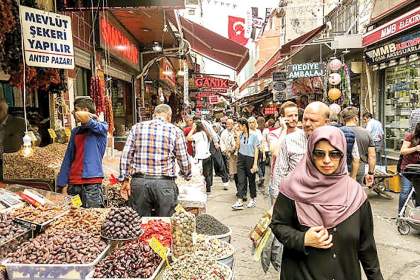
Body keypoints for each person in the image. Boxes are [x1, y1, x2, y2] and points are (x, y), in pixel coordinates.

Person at [270, 126, 383, 280]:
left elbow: (366, 246)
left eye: (335, 154)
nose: (327, 160)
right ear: (310, 154)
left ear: (343, 154)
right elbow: (277, 225)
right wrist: (302, 239)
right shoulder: (292, 188)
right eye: (319, 153)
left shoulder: (355, 194)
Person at [119, 104, 192, 217]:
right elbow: (183, 159)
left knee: (139, 224)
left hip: (139, 184)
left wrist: (124, 179)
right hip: (164, 184)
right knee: (165, 224)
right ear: (169, 116)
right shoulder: (175, 131)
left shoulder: (137, 127)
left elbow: (126, 155)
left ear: (154, 115)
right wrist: (186, 174)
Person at [272, 101, 331, 198]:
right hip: (296, 199)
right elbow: (280, 173)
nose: (307, 124)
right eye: (305, 119)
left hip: (325, 199)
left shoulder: (335, 141)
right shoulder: (289, 140)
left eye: (313, 120)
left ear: (326, 122)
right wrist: (277, 202)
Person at [57, 97, 108, 208]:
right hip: (74, 184)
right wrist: (63, 184)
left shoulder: (101, 128)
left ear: (84, 110)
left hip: (91, 185)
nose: (73, 113)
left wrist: (90, 117)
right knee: (75, 215)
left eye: (76, 110)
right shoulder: (75, 131)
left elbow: (95, 125)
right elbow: (68, 158)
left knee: (93, 216)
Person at [341, 107, 376, 185]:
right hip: (360, 167)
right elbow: (372, 156)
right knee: (357, 192)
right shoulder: (366, 133)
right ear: (355, 118)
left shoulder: (339, 132)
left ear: (344, 119)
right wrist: (370, 173)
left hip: (343, 167)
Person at [232, 118, 260, 210]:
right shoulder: (240, 135)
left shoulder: (254, 135)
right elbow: (237, 147)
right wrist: (237, 135)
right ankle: (239, 200)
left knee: (251, 180)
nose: (238, 127)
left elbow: (256, 149)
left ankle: (253, 199)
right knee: (241, 180)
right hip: (241, 158)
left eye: (239, 126)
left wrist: (255, 163)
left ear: (244, 126)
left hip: (250, 159)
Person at [0, 100, 27, 180]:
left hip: (15, 165)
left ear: (3, 111)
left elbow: (36, 137)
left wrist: (29, 142)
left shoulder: (20, 122)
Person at [330, 113, 360, 179]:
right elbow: (356, 158)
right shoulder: (349, 132)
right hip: (344, 171)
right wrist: (353, 177)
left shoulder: (321, 132)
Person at [398, 122, 420, 213]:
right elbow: (402, 151)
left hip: (419, 170)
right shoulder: (410, 136)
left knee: (419, 193)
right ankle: (401, 213)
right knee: (405, 191)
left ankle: (417, 214)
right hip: (408, 169)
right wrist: (415, 148)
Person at [186, 120, 213, 193]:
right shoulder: (205, 133)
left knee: (200, 174)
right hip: (207, 155)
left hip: (201, 157)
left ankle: (202, 190)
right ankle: (208, 189)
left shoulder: (199, 134)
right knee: (207, 174)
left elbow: (188, 138)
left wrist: (192, 130)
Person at [220, 118, 238, 189]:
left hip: (235, 153)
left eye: (229, 124)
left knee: (237, 170)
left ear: (233, 124)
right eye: (227, 124)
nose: (228, 125)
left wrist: (233, 149)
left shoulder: (236, 131)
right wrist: (225, 150)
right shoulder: (224, 132)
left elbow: (237, 141)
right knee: (229, 167)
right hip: (228, 153)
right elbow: (222, 142)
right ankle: (231, 176)